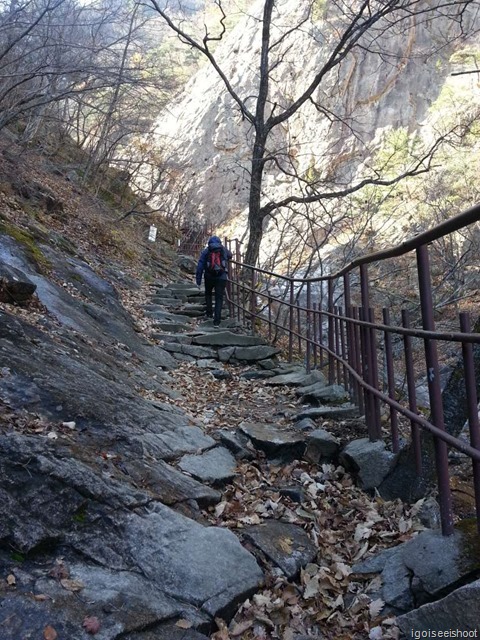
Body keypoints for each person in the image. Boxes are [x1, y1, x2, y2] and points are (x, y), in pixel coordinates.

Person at [196, 235, 232, 328]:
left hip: (209, 276)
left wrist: (198, 280)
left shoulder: (207, 251)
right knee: (219, 298)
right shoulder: (222, 249)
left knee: (208, 294)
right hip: (221, 277)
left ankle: (209, 313)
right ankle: (217, 321)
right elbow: (230, 255)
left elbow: (200, 265)